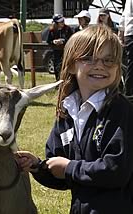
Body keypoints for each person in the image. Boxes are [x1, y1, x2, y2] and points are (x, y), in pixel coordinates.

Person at [16, 25, 133, 213]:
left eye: (108, 60)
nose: (100, 65)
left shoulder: (120, 111)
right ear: (71, 64)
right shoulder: (67, 112)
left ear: (118, 67)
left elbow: (116, 171)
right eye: (89, 58)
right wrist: (38, 166)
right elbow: (62, 174)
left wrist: (70, 167)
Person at [47, 14, 73, 81]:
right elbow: (48, 41)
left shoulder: (68, 29)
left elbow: (71, 39)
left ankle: (66, 81)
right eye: (60, 22)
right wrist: (54, 42)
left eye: (63, 21)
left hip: (66, 51)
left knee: (66, 67)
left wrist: (63, 41)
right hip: (56, 51)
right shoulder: (52, 30)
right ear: (56, 23)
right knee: (57, 67)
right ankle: (58, 81)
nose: (62, 23)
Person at [119, 0, 133, 97]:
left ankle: (129, 93)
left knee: (131, 65)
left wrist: (121, 32)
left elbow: (124, 16)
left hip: (129, 33)